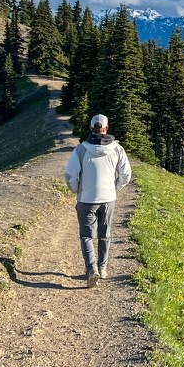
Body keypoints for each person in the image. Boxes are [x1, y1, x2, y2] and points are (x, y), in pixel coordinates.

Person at [64, 113, 132, 288]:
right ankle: (103, 268)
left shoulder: (81, 149)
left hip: (86, 199)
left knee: (87, 236)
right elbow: (126, 175)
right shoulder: (117, 149)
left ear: (91, 128)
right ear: (107, 128)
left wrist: (76, 190)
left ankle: (91, 268)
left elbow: (71, 174)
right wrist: (115, 187)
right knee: (105, 234)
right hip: (108, 199)